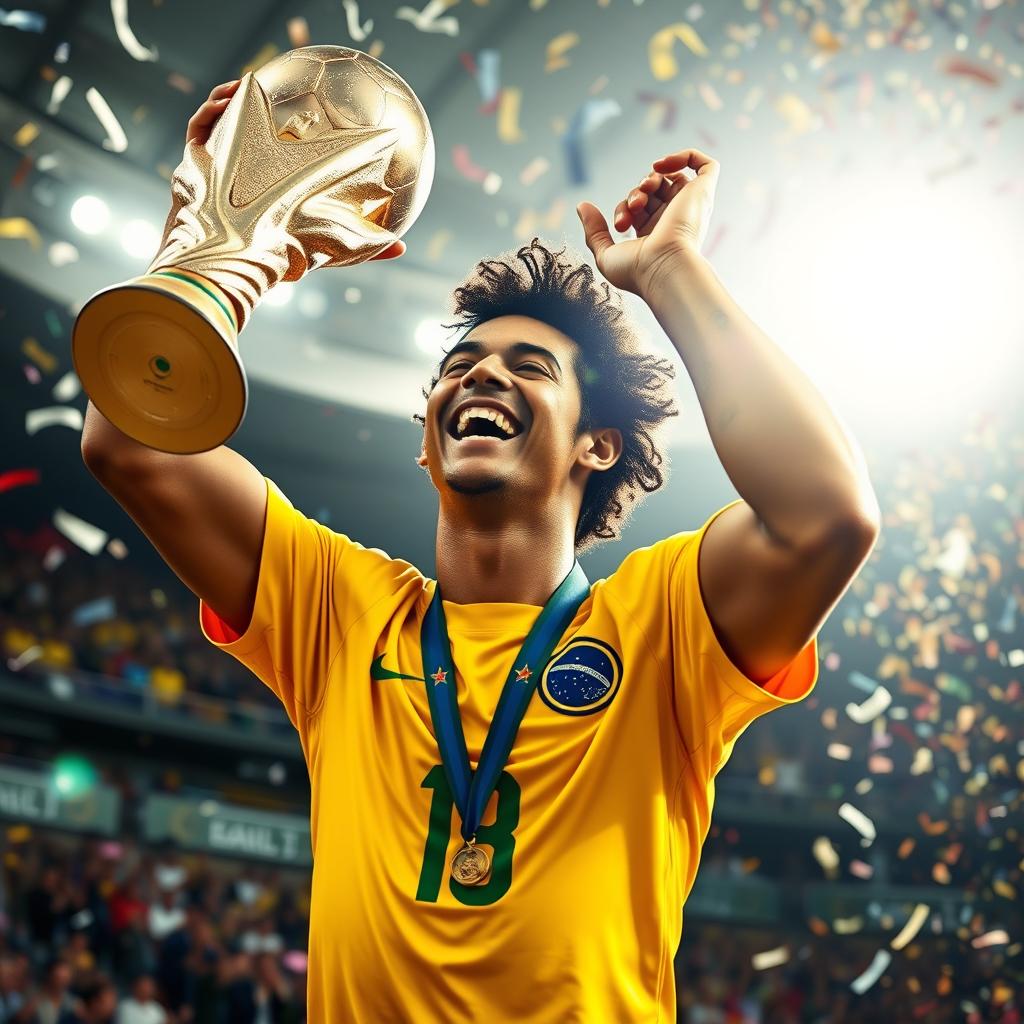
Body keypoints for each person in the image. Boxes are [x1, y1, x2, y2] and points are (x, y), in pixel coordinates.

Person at [82, 79, 880, 1023]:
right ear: (429, 435)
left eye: (529, 367)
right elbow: (130, 438)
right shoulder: (338, 608)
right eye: (457, 366)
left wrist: (669, 272)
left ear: (600, 444)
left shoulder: (664, 623)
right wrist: (213, 233)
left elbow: (829, 515)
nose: (482, 372)